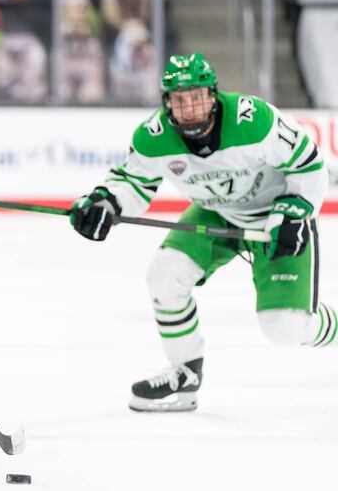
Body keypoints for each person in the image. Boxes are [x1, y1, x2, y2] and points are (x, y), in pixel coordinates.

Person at [69, 53, 334, 412]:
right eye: (180, 100)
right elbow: (132, 181)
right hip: (217, 211)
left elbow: (308, 164)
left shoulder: (253, 120)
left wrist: (294, 213)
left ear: (213, 95)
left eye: (197, 96)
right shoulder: (154, 136)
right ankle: (185, 372)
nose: (190, 107)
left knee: (284, 328)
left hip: (276, 214)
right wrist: (106, 203)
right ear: (167, 103)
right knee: (163, 277)